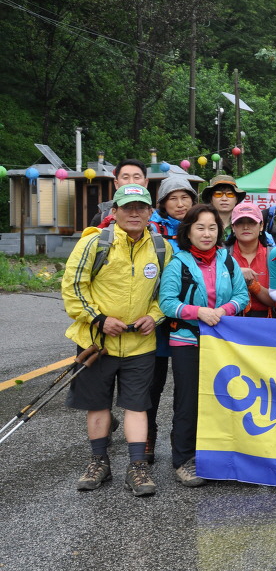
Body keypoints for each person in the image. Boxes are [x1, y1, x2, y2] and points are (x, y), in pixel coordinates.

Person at [62, 184, 171, 497]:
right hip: (97, 343)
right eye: (127, 207)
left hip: (140, 344)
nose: (134, 213)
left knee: (137, 405)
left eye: (141, 207)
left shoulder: (162, 247)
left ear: (150, 212)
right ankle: (99, 460)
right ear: (115, 212)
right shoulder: (94, 242)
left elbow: (166, 292)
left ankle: (137, 466)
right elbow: (73, 287)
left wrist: (155, 316)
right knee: (97, 404)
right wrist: (99, 319)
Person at [158, 204, 248, 487]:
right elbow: (167, 303)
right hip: (187, 340)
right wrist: (198, 312)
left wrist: (223, 310)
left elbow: (242, 296)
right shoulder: (178, 263)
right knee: (189, 399)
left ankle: (218, 455)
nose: (207, 234)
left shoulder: (227, 260)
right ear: (188, 232)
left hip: (221, 341)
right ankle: (183, 459)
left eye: (212, 228)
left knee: (222, 397)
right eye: (200, 228)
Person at [145, 175, 197, 464]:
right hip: (155, 315)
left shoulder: (199, 227)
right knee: (152, 382)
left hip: (187, 318)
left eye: (185, 197)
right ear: (162, 203)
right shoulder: (151, 229)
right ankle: (148, 435)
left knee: (186, 384)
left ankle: (182, 438)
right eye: (173, 198)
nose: (180, 204)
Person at [225, 202, 275, 318]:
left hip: (265, 321)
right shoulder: (222, 255)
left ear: (261, 226)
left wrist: (252, 284)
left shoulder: (273, 255)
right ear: (233, 227)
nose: (246, 227)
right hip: (230, 320)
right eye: (240, 222)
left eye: (252, 222)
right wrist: (236, 272)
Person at [90, 158, 149, 227]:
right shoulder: (101, 218)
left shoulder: (157, 219)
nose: (131, 182)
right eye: (125, 177)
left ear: (146, 183)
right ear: (116, 183)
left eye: (136, 177)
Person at [200, 174, 246, 241]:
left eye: (230, 194)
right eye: (218, 194)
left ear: (236, 199)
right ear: (211, 199)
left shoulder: (244, 223)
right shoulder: (201, 222)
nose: (224, 199)